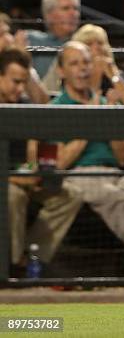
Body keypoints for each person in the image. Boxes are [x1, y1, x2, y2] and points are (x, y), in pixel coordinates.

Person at [53, 41, 124, 268]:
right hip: (81, 176)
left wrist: (108, 115)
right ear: (61, 71)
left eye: (86, 62)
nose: (82, 68)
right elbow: (60, 161)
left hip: (116, 174)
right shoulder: (56, 107)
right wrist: (93, 118)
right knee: (118, 198)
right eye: (74, 63)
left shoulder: (106, 102)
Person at [2, 46, 81, 273]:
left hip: (23, 177)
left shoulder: (25, 106)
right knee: (13, 196)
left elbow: (42, 106)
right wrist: (17, 180)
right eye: (15, 81)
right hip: (10, 183)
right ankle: (13, 267)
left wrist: (35, 170)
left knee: (69, 196)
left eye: (23, 82)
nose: (20, 88)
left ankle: (33, 256)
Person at [25, 0, 81, 79]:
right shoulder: (31, 40)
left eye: (75, 8)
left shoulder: (85, 43)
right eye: (66, 8)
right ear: (48, 14)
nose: (73, 13)